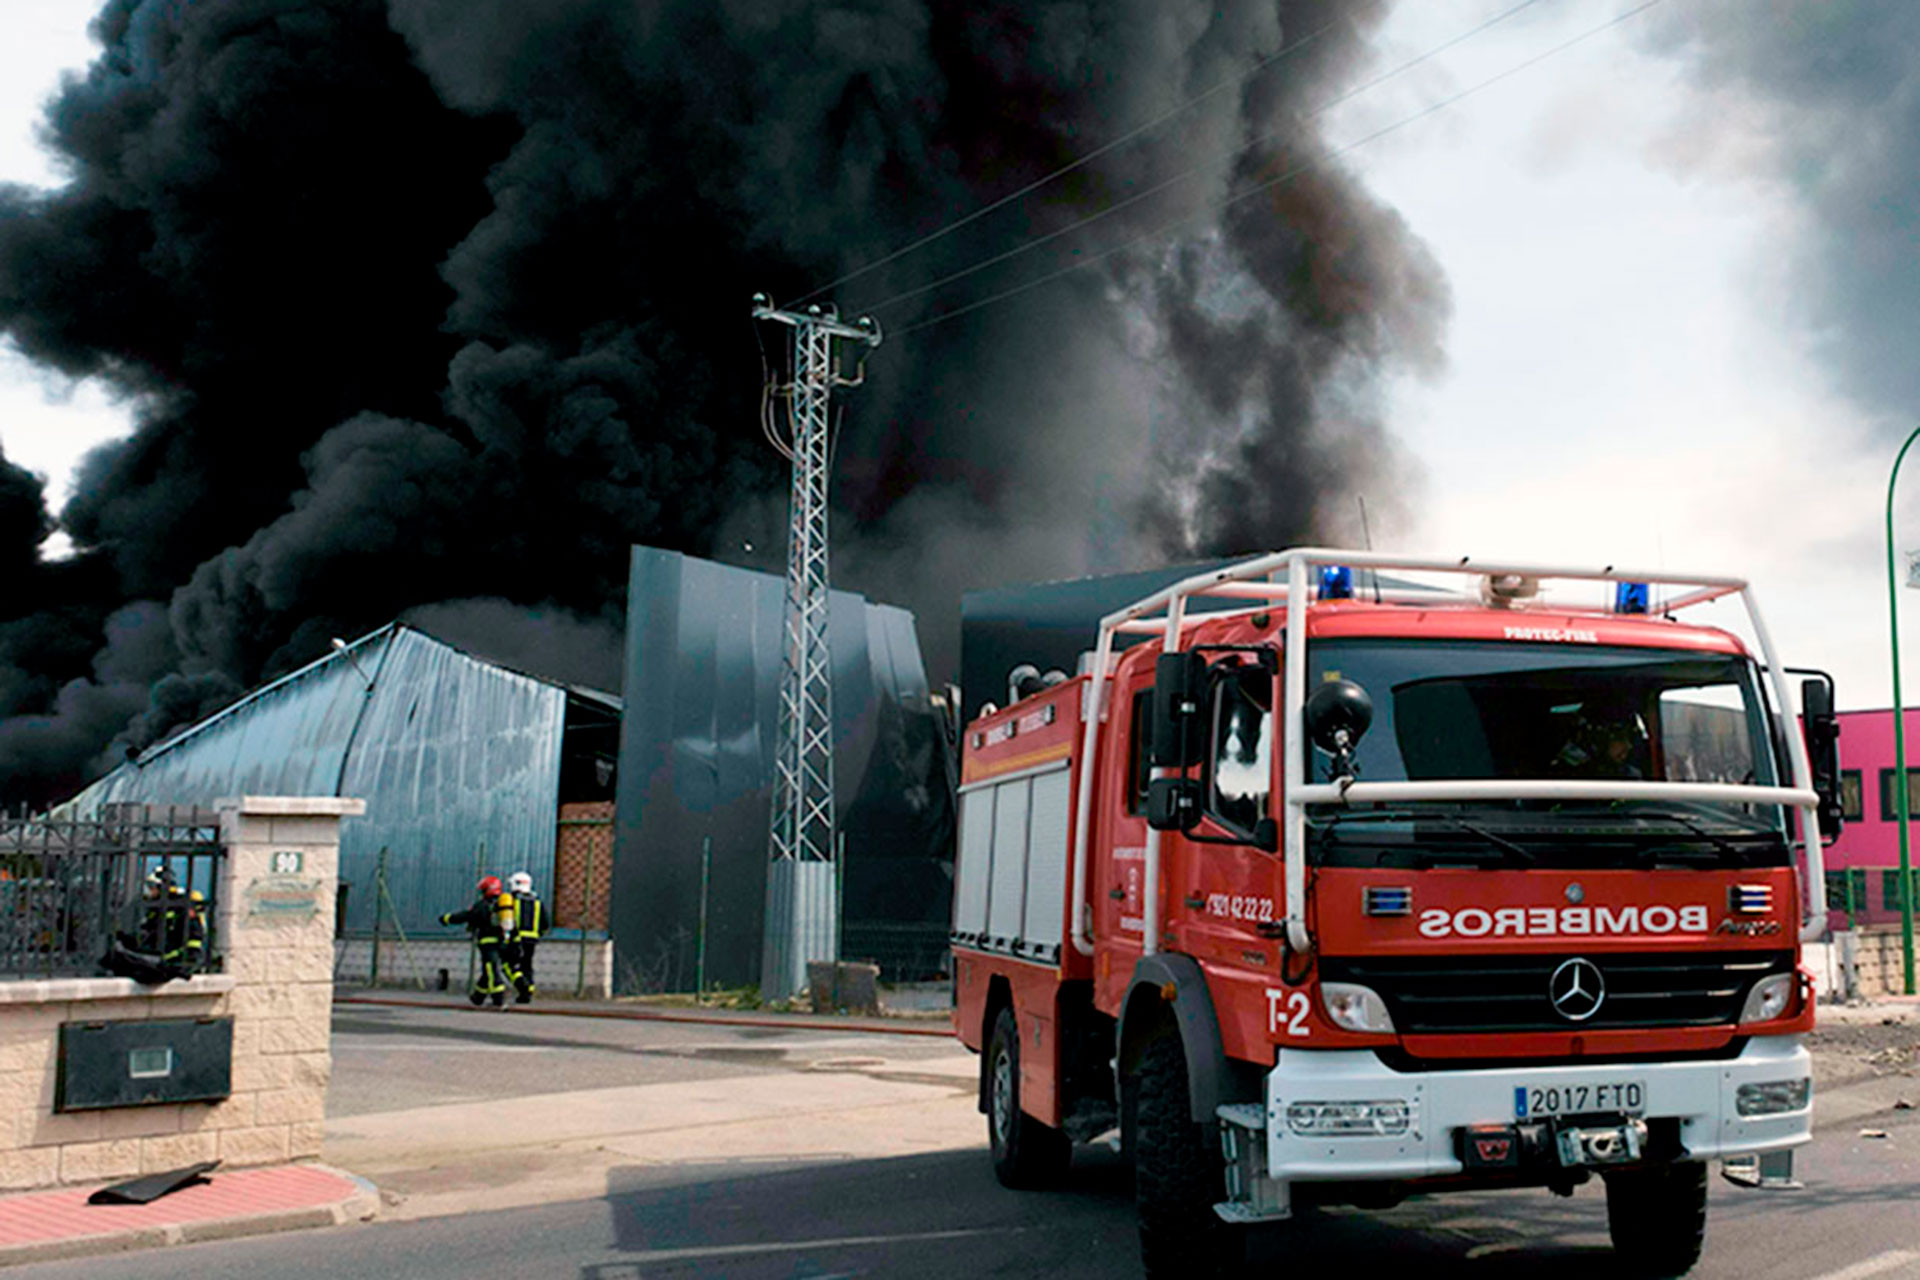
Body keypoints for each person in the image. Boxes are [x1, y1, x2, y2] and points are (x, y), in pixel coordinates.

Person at [439, 875, 517, 1007]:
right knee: (488, 971)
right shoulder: (502, 905)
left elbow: (466, 916)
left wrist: (447, 918)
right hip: (503, 942)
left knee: (491, 970)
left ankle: (498, 999)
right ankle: (478, 997)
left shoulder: (482, 906)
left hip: (488, 943)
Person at [504, 871, 546, 1004]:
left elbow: (505, 919)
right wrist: (538, 934)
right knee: (527, 965)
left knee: (509, 966)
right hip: (532, 941)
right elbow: (545, 922)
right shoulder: (537, 901)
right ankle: (528, 992)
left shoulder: (511, 900)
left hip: (515, 939)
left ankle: (523, 987)